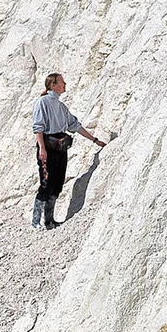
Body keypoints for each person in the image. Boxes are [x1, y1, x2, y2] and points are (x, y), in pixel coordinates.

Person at [31, 73, 106, 229]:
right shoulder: (42, 102)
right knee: (46, 183)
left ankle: (49, 221)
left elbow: (75, 126)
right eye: (61, 82)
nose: (65, 84)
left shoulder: (61, 106)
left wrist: (95, 140)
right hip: (48, 145)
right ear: (53, 85)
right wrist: (42, 149)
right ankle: (36, 221)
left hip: (60, 147)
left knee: (58, 183)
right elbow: (38, 127)